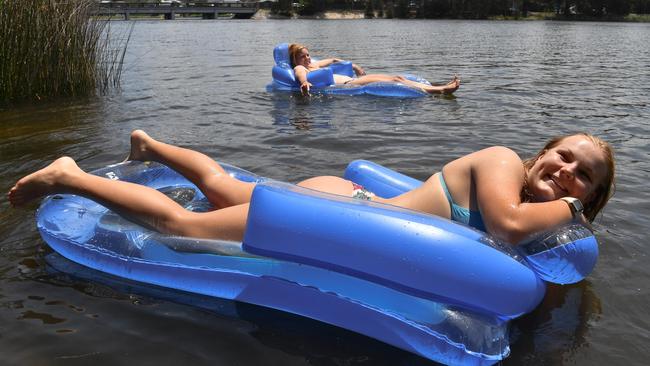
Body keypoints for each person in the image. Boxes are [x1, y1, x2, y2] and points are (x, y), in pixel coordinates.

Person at [8, 130, 614, 245]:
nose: (566, 171)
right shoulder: (505, 163)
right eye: (563, 156)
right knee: (181, 227)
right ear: (540, 154)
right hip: (335, 210)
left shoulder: (552, 224)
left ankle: (148, 146)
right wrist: (568, 207)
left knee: (220, 186)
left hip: (346, 205)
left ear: (594, 193)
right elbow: (504, 225)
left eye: (582, 174)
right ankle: (71, 176)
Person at [288, 43, 461, 96]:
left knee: (397, 77)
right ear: (295, 59)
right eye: (303, 56)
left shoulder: (314, 65)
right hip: (350, 84)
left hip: (354, 79)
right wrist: (304, 83)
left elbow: (333, 59)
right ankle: (441, 90)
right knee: (395, 81)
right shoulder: (300, 68)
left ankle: (438, 88)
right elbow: (300, 74)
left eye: (308, 55)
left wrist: (354, 66)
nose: (307, 58)